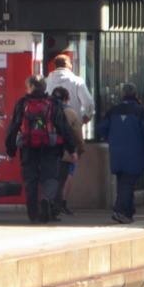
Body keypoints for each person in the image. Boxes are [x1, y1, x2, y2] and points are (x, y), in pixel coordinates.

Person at [4, 75, 76, 223]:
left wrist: (10, 151)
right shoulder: (53, 103)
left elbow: (13, 129)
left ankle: (33, 214)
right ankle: (46, 200)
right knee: (50, 177)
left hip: (28, 147)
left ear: (31, 87)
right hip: (51, 147)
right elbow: (64, 128)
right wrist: (72, 149)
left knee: (30, 181)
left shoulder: (22, 103)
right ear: (44, 88)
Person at [97, 83, 144, 224]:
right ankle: (120, 211)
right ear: (136, 95)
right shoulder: (141, 112)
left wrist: (112, 140)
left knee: (123, 183)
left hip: (116, 152)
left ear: (121, 95)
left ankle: (128, 212)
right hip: (135, 152)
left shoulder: (112, 111)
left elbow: (101, 129)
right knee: (128, 184)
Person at [50, 86, 86, 216]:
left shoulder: (46, 108)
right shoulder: (70, 113)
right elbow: (77, 134)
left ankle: (45, 203)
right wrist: (80, 150)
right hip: (65, 153)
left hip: (46, 151)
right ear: (66, 99)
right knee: (61, 180)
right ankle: (57, 207)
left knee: (48, 179)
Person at [44, 54, 95, 125]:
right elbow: (88, 102)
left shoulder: (46, 81)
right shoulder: (77, 81)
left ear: (55, 66)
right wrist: (88, 115)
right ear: (70, 66)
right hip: (73, 123)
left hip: (52, 123)